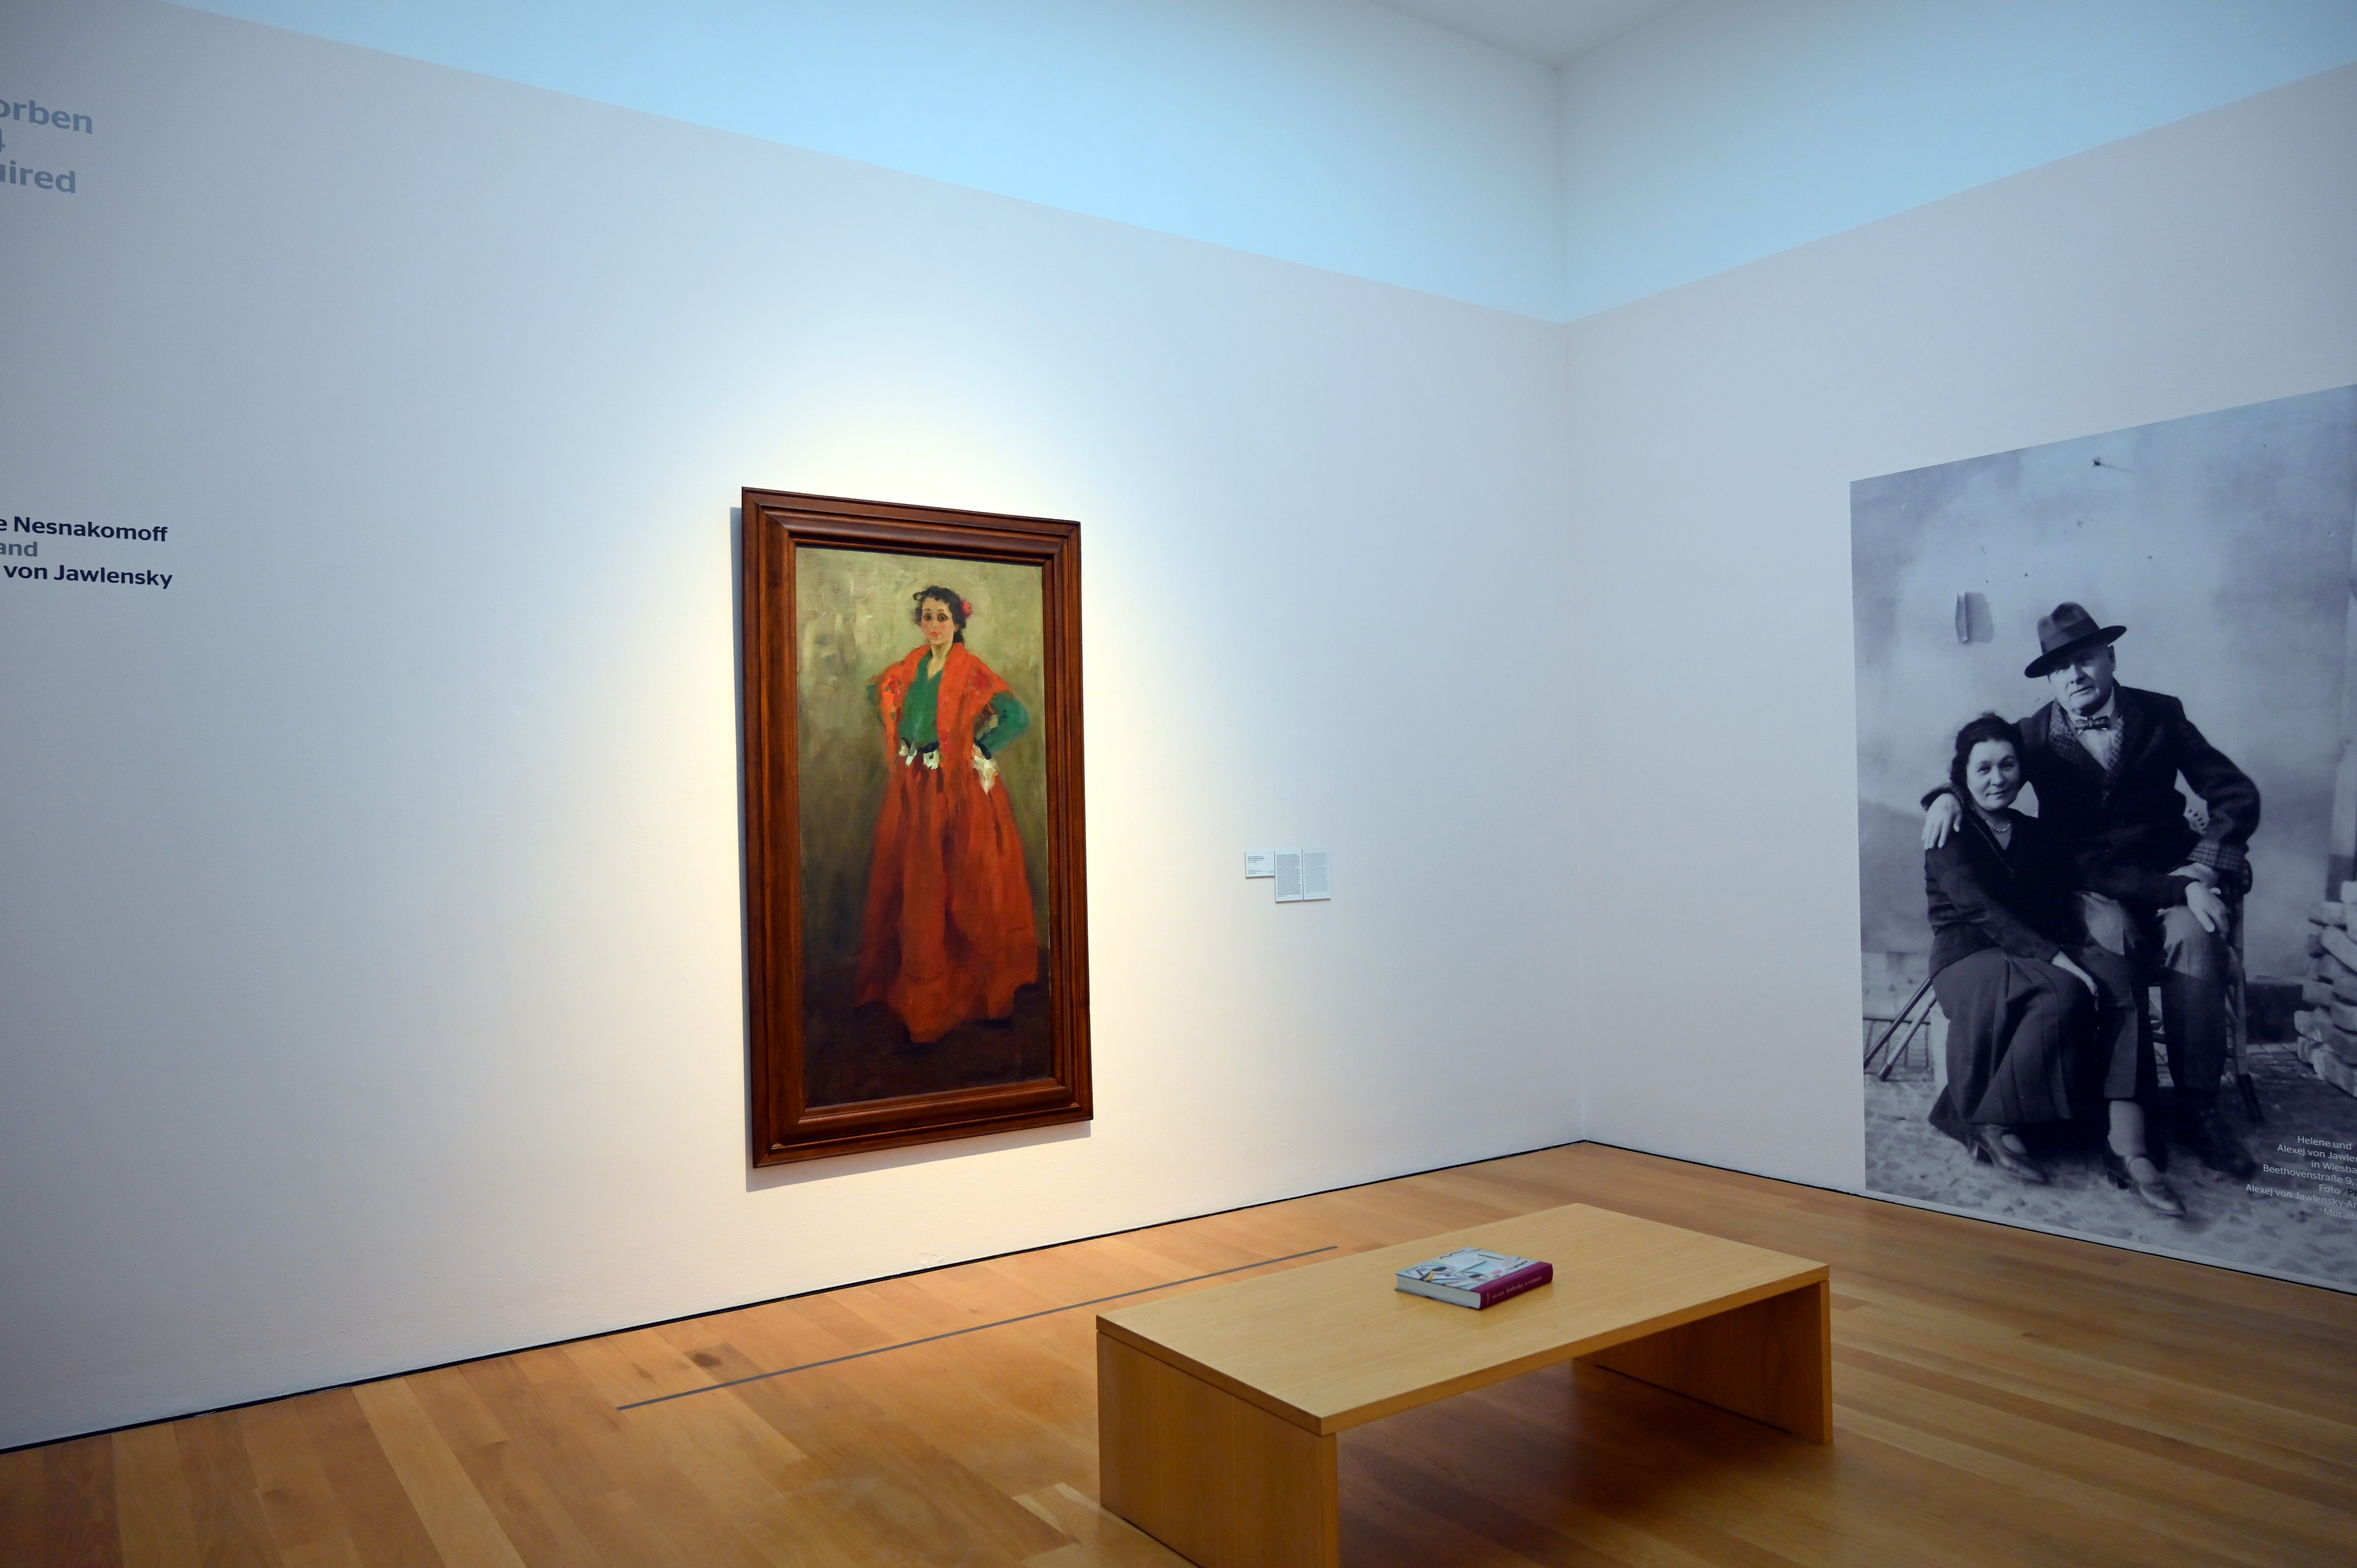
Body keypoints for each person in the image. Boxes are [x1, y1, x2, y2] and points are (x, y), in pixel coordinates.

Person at [1924, 602, 2260, 1180]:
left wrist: (2205, 869)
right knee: (2112, 947)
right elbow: (1983, 765)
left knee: (2198, 936)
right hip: (2095, 886)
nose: (2074, 676)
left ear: (2110, 658)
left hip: (2175, 876)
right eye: (2060, 668)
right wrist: (1944, 797)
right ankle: (2123, 1116)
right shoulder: (2032, 735)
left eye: (2084, 660)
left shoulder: (2161, 714)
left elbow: (2234, 793)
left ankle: (2198, 1107)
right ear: (2050, 680)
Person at [1925, 714, 2180, 1215]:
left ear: (2022, 771)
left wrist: (2183, 888)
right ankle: (1992, 1119)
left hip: (2036, 949)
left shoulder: (2035, 833)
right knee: (2065, 989)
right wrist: (2060, 959)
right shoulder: (1949, 826)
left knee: (2122, 978)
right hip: (1969, 956)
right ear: (1963, 775)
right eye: (1983, 768)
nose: (1997, 778)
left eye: (2007, 765)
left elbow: (2099, 875)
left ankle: (2128, 1143)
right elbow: (1980, 909)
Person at [854, 586, 1039, 1043]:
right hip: (915, 789)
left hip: (957, 792)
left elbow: (1017, 717)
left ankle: (975, 993)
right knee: (918, 886)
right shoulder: (911, 667)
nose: (933, 625)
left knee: (965, 887)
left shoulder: (971, 671)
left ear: (957, 624)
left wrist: (980, 748)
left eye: (942, 617)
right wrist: (904, 736)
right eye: (927, 616)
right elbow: (878, 693)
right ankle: (920, 994)